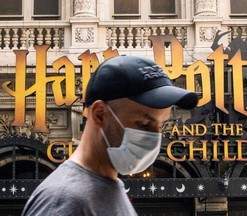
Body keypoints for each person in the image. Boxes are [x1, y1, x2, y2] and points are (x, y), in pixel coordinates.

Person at [21, 55, 198, 216]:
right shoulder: (64, 201)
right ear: (100, 114)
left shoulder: (109, 187)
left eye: (161, 124)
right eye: (143, 123)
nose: (156, 136)